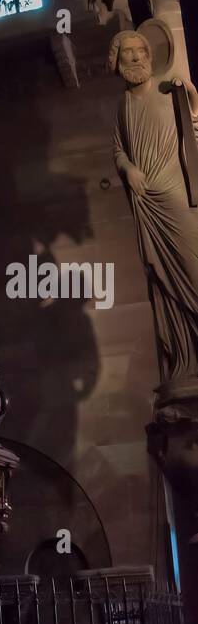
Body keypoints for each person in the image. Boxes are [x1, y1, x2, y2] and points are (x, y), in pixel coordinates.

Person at [110, 30, 198, 379]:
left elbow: (193, 123)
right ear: (116, 63)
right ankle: (185, 359)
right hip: (148, 203)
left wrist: (189, 93)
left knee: (192, 268)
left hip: (174, 196)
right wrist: (128, 167)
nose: (134, 58)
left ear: (149, 54)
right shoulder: (124, 105)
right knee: (163, 284)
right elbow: (118, 148)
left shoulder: (166, 89)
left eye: (139, 51)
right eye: (126, 53)